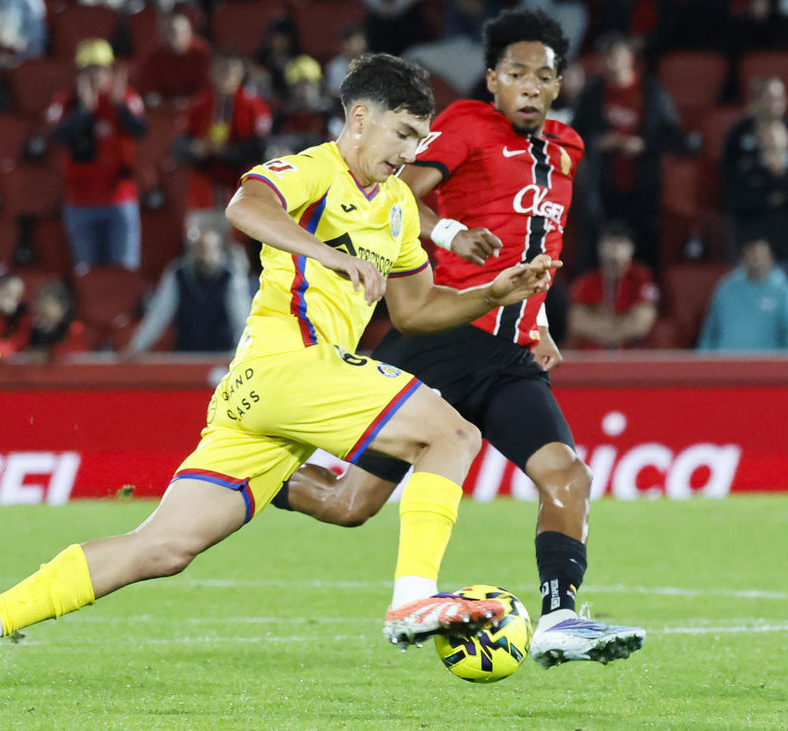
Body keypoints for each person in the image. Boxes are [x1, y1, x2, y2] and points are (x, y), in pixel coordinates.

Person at [0, 53, 560, 706]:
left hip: (268, 397)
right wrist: (327, 254)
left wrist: (491, 294)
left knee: (162, 547)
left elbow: (416, 311)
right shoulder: (315, 169)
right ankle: (413, 598)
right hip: (290, 363)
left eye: (418, 138)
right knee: (452, 434)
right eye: (401, 133)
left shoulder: (397, 205)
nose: (409, 153)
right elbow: (244, 206)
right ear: (359, 120)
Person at [273, 9, 646, 669]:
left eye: (543, 76)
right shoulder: (467, 123)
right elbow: (394, 195)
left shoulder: (568, 148)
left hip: (511, 353)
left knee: (567, 474)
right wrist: (448, 233)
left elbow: (538, 243)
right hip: (443, 338)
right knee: (348, 503)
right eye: (516, 73)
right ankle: (249, 472)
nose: (530, 86)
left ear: (560, 83)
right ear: (493, 78)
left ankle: (560, 619)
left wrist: (541, 322)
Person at [572, 33, 691, 270]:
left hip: (643, 188)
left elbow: (674, 137)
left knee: (643, 254)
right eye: (607, 55)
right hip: (603, 189)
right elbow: (573, 135)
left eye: (617, 54)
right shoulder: (592, 94)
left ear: (630, 57)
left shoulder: (651, 91)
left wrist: (643, 144)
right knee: (597, 253)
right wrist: (599, 142)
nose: (612, 60)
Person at [49, 39, 147, 272]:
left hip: (119, 199)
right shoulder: (67, 102)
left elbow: (140, 130)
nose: (95, 76)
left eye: (101, 70)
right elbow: (58, 136)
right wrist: (84, 110)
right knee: (86, 276)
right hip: (80, 202)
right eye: (89, 71)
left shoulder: (125, 98)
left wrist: (120, 105)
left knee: (124, 274)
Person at [128, 215, 253, 354]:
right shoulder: (177, 274)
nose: (201, 256)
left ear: (217, 251)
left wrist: (249, 352)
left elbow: (241, 317)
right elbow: (159, 314)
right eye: (196, 250)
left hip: (222, 353)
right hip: (186, 353)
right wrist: (136, 346)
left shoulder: (231, 276)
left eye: (206, 250)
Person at [172, 52, 273, 214]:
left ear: (241, 73)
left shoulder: (253, 106)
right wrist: (196, 148)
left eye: (230, 70)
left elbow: (260, 148)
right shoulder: (198, 104)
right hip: (204, 190)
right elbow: (179, 146)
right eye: (221, 70)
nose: (225, 75)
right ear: (211, 73)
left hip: (241, 189)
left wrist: (225, 151)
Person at [724, 118, 788, 267]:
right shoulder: (747, 169)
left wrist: (779, 176)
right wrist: (775, 196)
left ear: (787, 137)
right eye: (766, 136)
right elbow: (736, 202)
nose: (771, 141)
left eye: (776, 135)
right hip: (756, 250)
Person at [698, 238, 788, 353]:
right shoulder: (726, 288)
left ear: (770, 259)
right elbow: (710, 332)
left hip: (767, 362)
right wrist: (703, 358)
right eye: (751, 257)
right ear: (743, 260)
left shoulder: (786, 292)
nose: (756, 263)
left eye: (760, 257)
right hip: (726, 361)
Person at [566, 222, 659, 349]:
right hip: (595, 349)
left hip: (633, 349)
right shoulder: (586, 283)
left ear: (631, 249)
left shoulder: (642, 278)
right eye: (610, 242)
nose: (615, 248)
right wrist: (611, 332)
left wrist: (608, 331)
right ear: (599, 247)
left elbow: (642, 322)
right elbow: (576, 321)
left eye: (621, 243)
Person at [720, 77, 788, 180]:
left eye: (779, 99)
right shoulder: (740, 130)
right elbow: (728, 167)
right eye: (769, 99)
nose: (775, 104)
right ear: (757, 101)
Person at [134, 12, 212, 107]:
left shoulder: (202, 53)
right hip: (166, 108)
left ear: (189, 33)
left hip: (195, 107)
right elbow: (146, 86)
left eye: (178, 33)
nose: (174, 37)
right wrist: (154, 97)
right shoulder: (157, 55)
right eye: (169, 32)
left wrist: (190, 101)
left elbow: (206, 89)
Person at [27, 280, 90, 359]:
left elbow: (75, 356)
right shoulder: (33, 330)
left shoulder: (74, 329)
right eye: (39, 301)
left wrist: (47, 354)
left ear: (63, 306)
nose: (40, 306)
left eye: (47, 302)